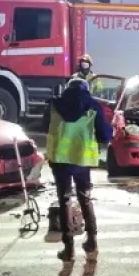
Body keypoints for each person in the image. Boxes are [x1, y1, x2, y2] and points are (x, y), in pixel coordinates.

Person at [45, 77, 113, 262]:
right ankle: (92, 241)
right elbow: (105, 135)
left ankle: (68, 249)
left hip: (60, 160)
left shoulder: (54, 105)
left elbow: (45, 127)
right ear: (86, 89)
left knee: (64, 200)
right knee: (85, 198)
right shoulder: (93, 106)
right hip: (82, 160)